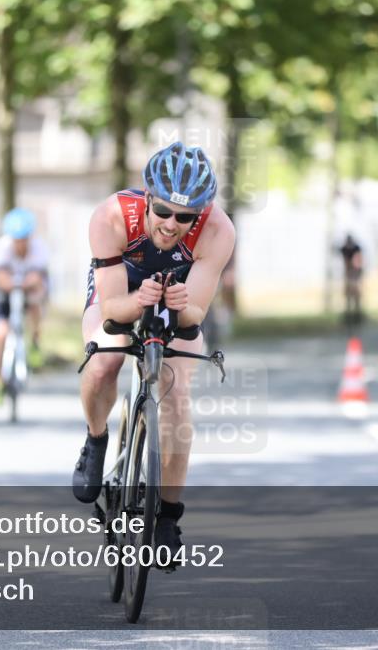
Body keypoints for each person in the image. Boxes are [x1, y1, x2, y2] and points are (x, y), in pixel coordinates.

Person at [73, 141, 235, 562]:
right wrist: (139, 300)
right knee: (103, 361)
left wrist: (178, 305)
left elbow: (195, 314)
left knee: (177, 397)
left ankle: (166, 517)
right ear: (147, 198)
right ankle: (96, 439)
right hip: (122, 291)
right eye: (163, 211)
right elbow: (111, 310)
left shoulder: (219, 231)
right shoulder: (111, 217)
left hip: (178, 302)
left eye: (185, 217)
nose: (171, 224)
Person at [0, 208, 49, 402]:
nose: (20, 244)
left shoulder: (39, 249)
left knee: (35, 305)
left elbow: (37, 279)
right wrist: (20, 283)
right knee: (0, 333)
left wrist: (24, 285)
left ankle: (35, 342)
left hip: (29, 291)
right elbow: (0, 279)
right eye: (17, 239)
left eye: (24, 239)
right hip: (5, 294)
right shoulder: (1, 248)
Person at [337, 233, 363, 325]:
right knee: (348, 296)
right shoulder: (345, 249)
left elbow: (358, 262)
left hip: (355, 274)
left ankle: (357, 316)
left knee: (356, 296)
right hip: (348, 274)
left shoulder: (356, 249)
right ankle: (349, 316)